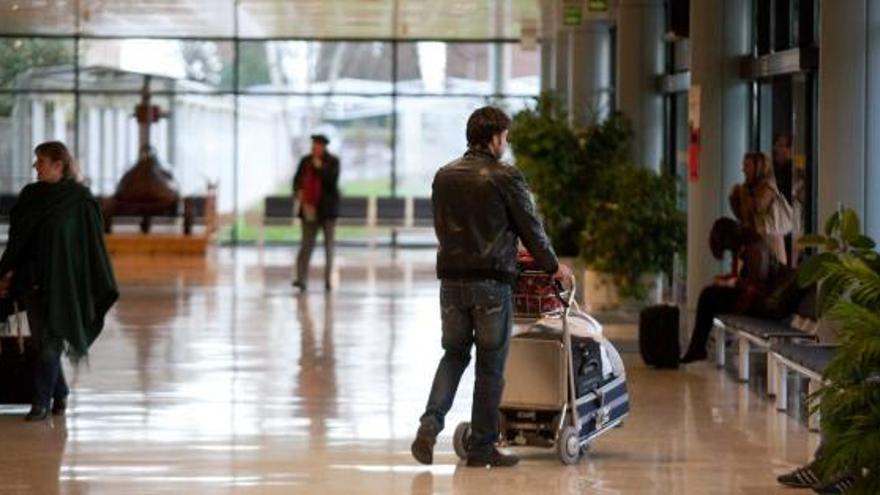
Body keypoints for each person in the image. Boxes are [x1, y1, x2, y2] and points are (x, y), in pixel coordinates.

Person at [410, 106, 569, 468]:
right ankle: (482, 446)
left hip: (451, 282)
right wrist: (553, 267)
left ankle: (429, 426)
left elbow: (440, 226)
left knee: (453, 355)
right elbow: (531, 229)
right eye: (505, 137)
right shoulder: (505, 176)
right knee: (490, 366)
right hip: (492, 284)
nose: (505, 144)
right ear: (496, 138)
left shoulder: (444, 176)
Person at [0, 141, 118, 421]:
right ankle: (60, 394)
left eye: (39, 162)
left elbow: (90, 247)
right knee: (43, 339)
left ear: (58, 165)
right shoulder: (30, 196)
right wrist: (4, 271)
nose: (34, 167)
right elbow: (18, 241)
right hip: (30, 280)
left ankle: (40, 403)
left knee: (49, 340)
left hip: (65, 283)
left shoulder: (80, 201)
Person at [680, 217, 780, 363]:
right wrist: (725, 280)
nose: (728, 251)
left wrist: (730, 283)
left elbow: (754, 285)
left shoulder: (753, 247)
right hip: (748, 298)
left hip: (755, 303)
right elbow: (741, 276)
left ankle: (697, 348)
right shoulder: (743, 245)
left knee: (708, 296)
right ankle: (697, 347)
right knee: (709, 294)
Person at [292, 134, 340, 292]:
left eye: (319, 145)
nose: (316, 148)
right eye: (314, 144)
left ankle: (328, 281)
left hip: (327, 211)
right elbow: (296, 180)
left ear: (324, 146)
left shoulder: (333, 162)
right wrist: (298, 191)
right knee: (306, 245)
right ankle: (301, 279)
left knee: (329, 247)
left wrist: (319, 168)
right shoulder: (305, 161)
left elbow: (332, 182)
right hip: (309, 209)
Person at [729, 151, 787, 265]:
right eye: (744, 166)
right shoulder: (745, 188)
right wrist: (734, 199)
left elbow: (758, 206)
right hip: (752, 244)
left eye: (747, 166)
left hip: (769, 243)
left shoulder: (768, 187)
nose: (744, 170)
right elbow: (742, 216)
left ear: (759, 167)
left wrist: (744, 195)